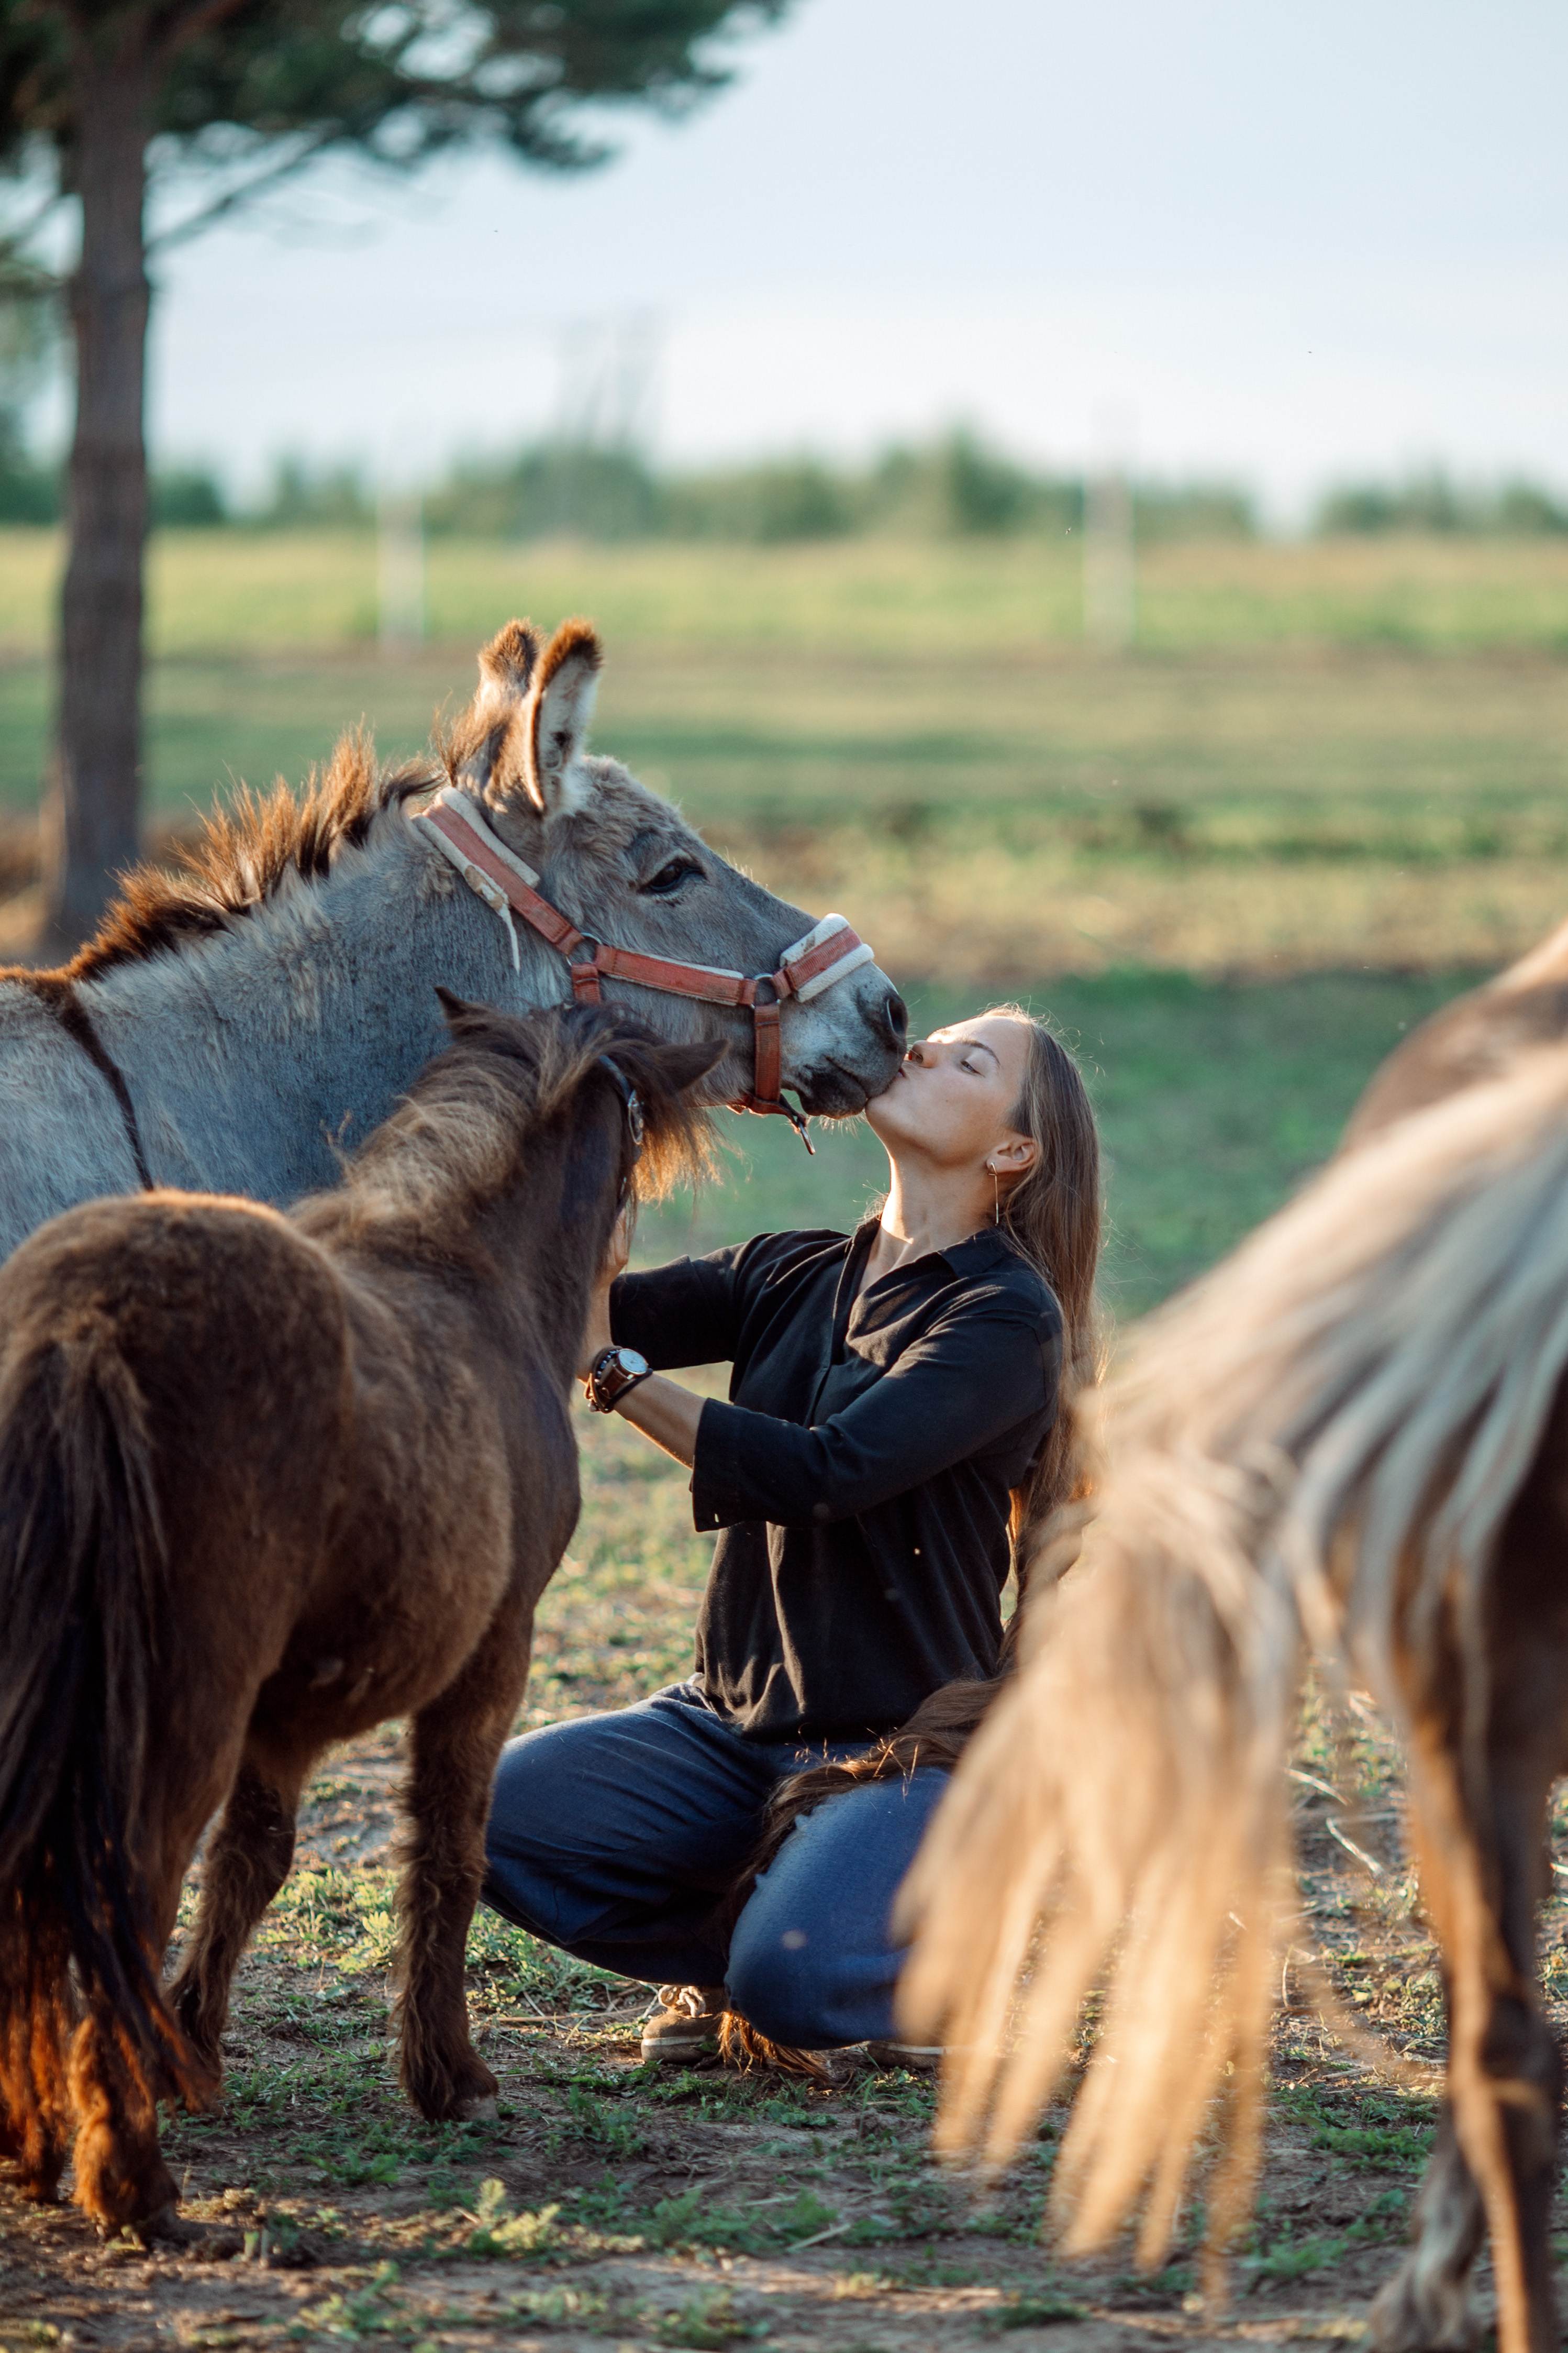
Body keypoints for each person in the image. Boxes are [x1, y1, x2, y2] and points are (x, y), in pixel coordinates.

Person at [480, 1005, 1101, 2064]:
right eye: (933, 1038)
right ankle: (748, 1945)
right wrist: (587, 1148)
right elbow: (566, 1308)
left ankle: (909, 1960)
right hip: (726, 1733)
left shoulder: (1006, 1319)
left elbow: (828, 1473)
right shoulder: (789, 1270)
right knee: (483, 1820)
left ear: (1013, 1151)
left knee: (795, 1986)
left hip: (894, 1750)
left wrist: (612, 1375)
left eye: (968, 1060)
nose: (920, 1051)